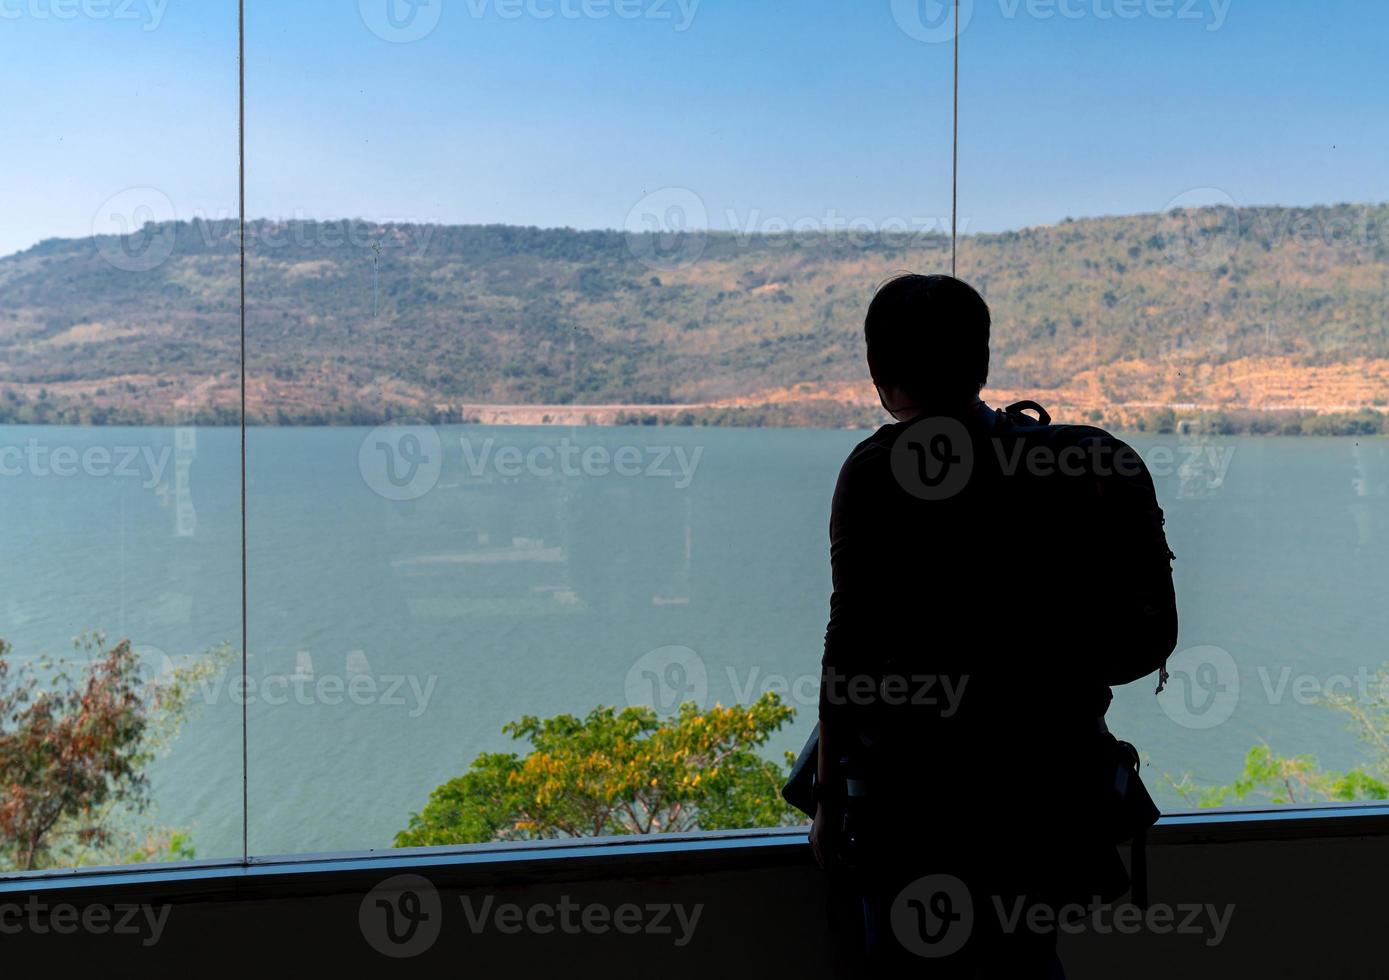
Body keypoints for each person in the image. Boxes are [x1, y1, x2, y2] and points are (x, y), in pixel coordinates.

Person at [809, 274, 1172, 977]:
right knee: (1026, 961)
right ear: (979, 362)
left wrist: (827, 800)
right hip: (1045, 792)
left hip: (912, 801)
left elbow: (847, 645)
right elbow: (1123, 644)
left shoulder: (879, 470)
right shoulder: (1055, 461)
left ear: (878, 371)